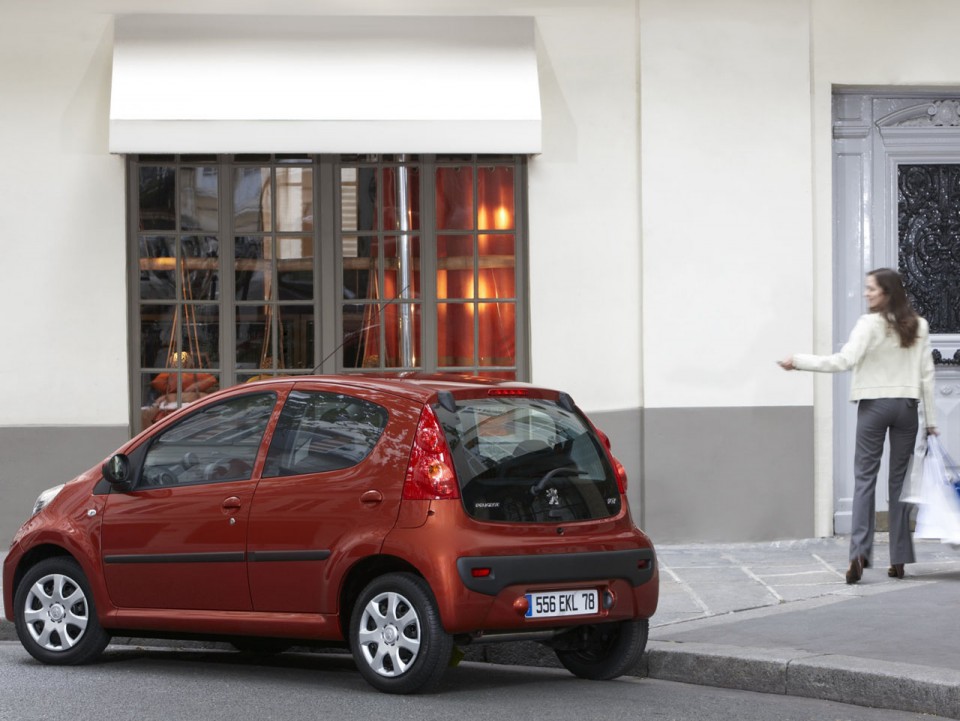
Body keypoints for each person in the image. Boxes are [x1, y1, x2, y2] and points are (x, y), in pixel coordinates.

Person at [779, 268, 937, 584]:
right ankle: (899, 559)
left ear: (887, 293)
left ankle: (859, 553)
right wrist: (931, 422)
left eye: (872, 289)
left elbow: (842, 361)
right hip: (906, 408)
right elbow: (927, 376)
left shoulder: (869, 325)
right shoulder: (918, 326)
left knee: (864, 478)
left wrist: (798, 361)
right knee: (898, 484)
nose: (867, 293)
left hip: (874, 407)